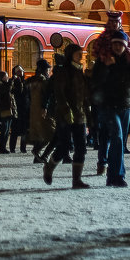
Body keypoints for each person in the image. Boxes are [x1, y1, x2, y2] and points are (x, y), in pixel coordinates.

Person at [91, 30, 130, 187]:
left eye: (120, 44)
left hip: (126, 104)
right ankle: (117, 176)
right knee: (117, 137)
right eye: (115, 43)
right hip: (108, 105)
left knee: (119, 142)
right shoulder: (104, 60)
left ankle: (114, 175)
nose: (117, 46)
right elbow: (95, 81)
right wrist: (107, 67)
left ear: (124, 45)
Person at [43, 45, 90, 189]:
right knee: (64, 147)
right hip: (65, 114)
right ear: (70, 54)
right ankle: (49, 167)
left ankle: (77, 180)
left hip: (80, 114)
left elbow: (84, 94)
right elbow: (59, 92)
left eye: (81, 53)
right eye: (77, 54)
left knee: (81, 147)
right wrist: (65, 109)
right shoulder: (64, 71)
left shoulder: (80, 71)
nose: (81, 56)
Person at [27, 59, 55, 163]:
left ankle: (37, 157)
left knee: (41, 133)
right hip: (44, 110)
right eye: (48, 69)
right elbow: (46, 96)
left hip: (34, 110)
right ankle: (37, 150)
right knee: (52, 133)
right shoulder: (44, 81)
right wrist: (45, 107)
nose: (49, 71)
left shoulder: (33, 80)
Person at [9, 66, 30, 153]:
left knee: (25, 130)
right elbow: (10, 91)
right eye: (18, 71)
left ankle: (23, 148)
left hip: (25, 109)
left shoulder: (26, 82)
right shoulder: (13, 82)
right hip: (16, 109)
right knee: (14, 130)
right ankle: (12, 148)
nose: (20, 72)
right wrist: (13, 81)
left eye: (21, 71)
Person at [0, 71, 16, 154]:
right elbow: (7, 91)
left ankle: (3, 147)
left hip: (9, 108)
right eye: (6, 76)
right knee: (4, 129)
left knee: (7, 130)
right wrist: (11, 81)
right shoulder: (0, 85)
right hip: (4, 109)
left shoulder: (6, 84)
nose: (7, 78)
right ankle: (2, 148)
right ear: (2, 77)